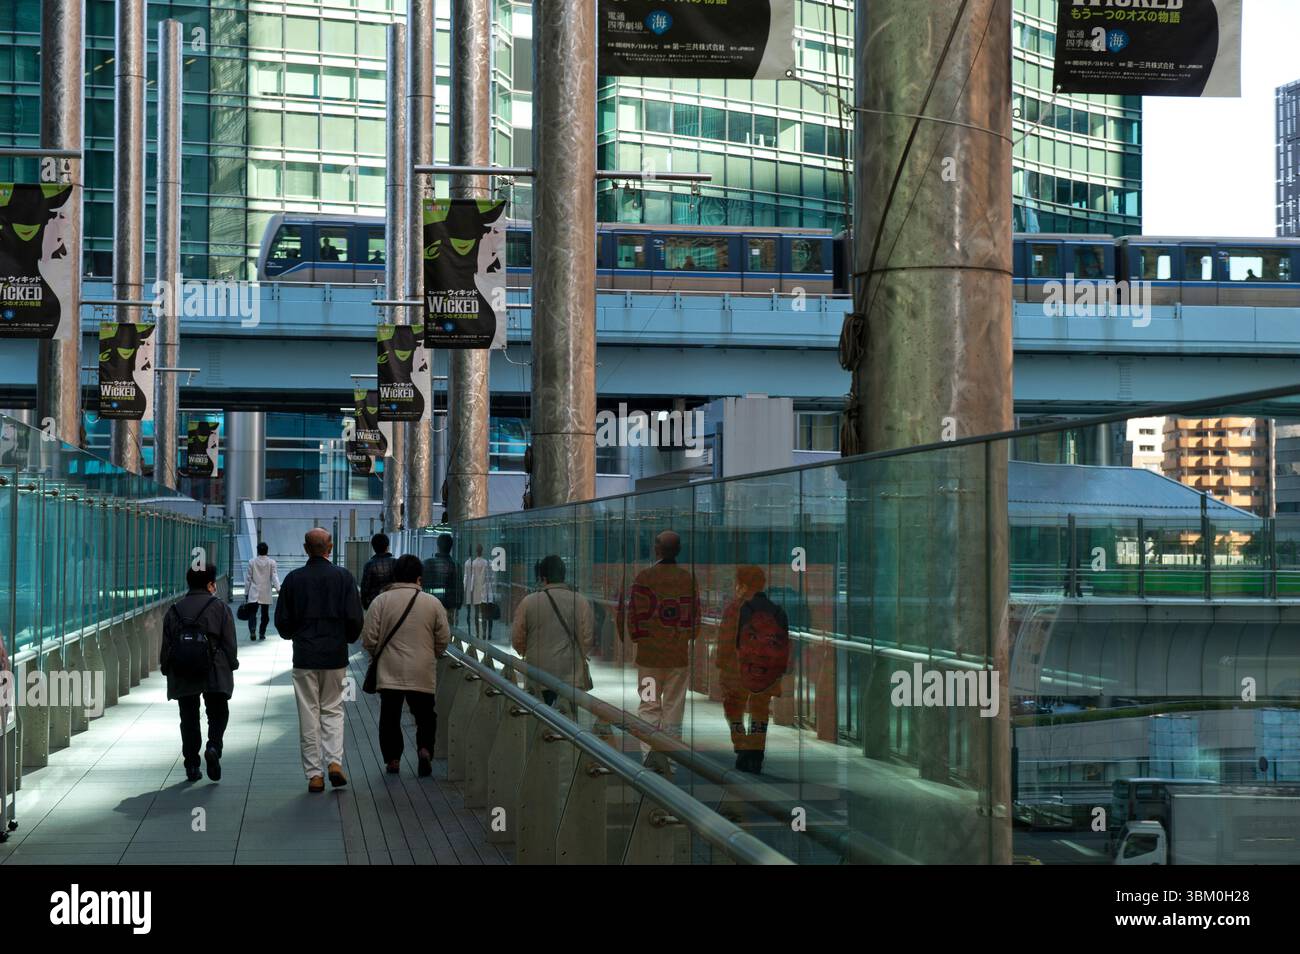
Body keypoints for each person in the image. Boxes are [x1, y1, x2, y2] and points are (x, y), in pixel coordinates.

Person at [275, 528, 364, 793]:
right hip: (334, 655)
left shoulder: (293, 579)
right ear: (331, 547)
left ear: (305, 549)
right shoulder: (343, 577)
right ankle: (334, 762)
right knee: (333, 709)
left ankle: (315, 775)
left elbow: (283, 622)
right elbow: (355, 618)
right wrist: (346, 638)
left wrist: (294, 634)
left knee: (308, 713)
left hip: (304, 656)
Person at [362, 555, 450, 777]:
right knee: (425, 716)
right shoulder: (432, 603)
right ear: (419, 578)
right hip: (421, 670)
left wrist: (379, 654)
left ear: (395, 576)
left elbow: (369, 639)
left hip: (389, 670)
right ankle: (424, 750)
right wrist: (432, 654)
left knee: (390, 716)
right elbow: (443, 638)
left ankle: (393, 759)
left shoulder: (380, 601)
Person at [619, 530, 699, 771]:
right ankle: (671, 761)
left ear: (656, 549)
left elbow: (633, 616)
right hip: (677, 656)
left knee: (649, 704)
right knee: (674, 706)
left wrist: (638, 639)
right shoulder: (688, 579)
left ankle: (649, 758)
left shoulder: (644, 577)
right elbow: (695, 620)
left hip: (650, 657)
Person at [161, 565, 239, 783]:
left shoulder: (174, 610)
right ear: (210, 584)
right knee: (218, 712)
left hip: (183, 671)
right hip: (214, 669)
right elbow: (229, 642)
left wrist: (166, 668)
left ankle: (192, 765)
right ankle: (213, 746)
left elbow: (167, 644)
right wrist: (231, 664)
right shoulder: (220, 608)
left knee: (189, 718)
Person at [716, 566, 789, 774]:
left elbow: (727, 641)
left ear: (742, 585)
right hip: (766, 672)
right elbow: (784, 645)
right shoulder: (776, 610)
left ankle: (741, 746)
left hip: (738, 671)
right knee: (760, 711)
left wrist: (721, 664)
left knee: (734, 710)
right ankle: (756, 754)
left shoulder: (735, 609)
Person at [512, 555, 594, 707]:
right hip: (571, 675)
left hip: (538, 673)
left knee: (539, 719)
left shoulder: (528, 602)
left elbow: (517, 638)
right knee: (567, 722)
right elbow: (588, 638)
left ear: (543, 578)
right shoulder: (581, 601)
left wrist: (527, 652)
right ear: (563, 575)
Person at [422, 533, 462, 623]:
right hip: (449, 607)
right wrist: (457, 605)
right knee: (447, 633)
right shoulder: (455, 566)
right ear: (451, 547)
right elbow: (459, 588)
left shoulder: (427, 563)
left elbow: (422, 586)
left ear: (438, 546)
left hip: (429, 606)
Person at [243, 541, 279, 641]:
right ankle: (262, 633)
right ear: (267, 551)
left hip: (253, 591)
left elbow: (248, 579)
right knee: (265, 615)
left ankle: (253, 630)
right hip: (265, 592)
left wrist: (246, 592)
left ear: (258, 551)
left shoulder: (252, 562)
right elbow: (274, 576)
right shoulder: (272, 562)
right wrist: (278, 589)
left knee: (252, 613)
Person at [463, 544, 497, 641]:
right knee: (488, 614)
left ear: (476, 552)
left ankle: (479, 633)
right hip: (486, 591)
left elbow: (472, 577)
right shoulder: (486, 563)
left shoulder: (473, 563)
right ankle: (488, 634)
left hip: (477, 590)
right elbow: (492, 579)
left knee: (477, 613)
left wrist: (469, 589)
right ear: (482, 551)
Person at [360, 532, 397, 610]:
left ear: (373, 548)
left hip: (375, 604)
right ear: (387, 547)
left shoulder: (369, 565)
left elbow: (365, 588)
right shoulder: (395, 563)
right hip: (393, 603)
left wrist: (365, 605)